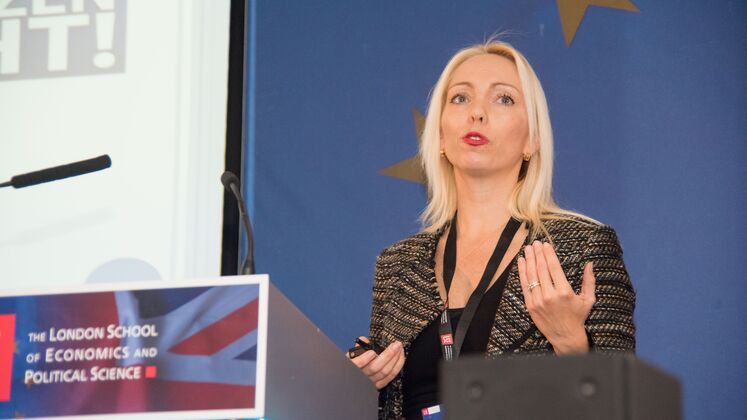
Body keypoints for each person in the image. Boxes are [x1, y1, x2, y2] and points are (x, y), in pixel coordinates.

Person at [349, 40, 636, 420]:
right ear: (439, 135)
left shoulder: (581, 247)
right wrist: (357, 385)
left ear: (532, 139)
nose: (477, 113)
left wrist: (571, 344)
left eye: (503, 99)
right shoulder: (397, 264)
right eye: (460, 98)